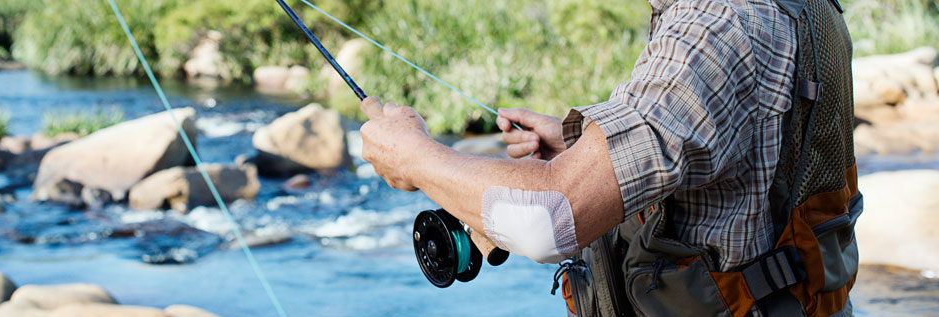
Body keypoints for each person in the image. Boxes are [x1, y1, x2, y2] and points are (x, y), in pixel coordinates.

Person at [359, 0, 859, 315]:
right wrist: (585, 153)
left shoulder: (717, 24)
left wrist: (414, 156)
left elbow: (546, 219)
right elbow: (742, 160)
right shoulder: (803, 7)